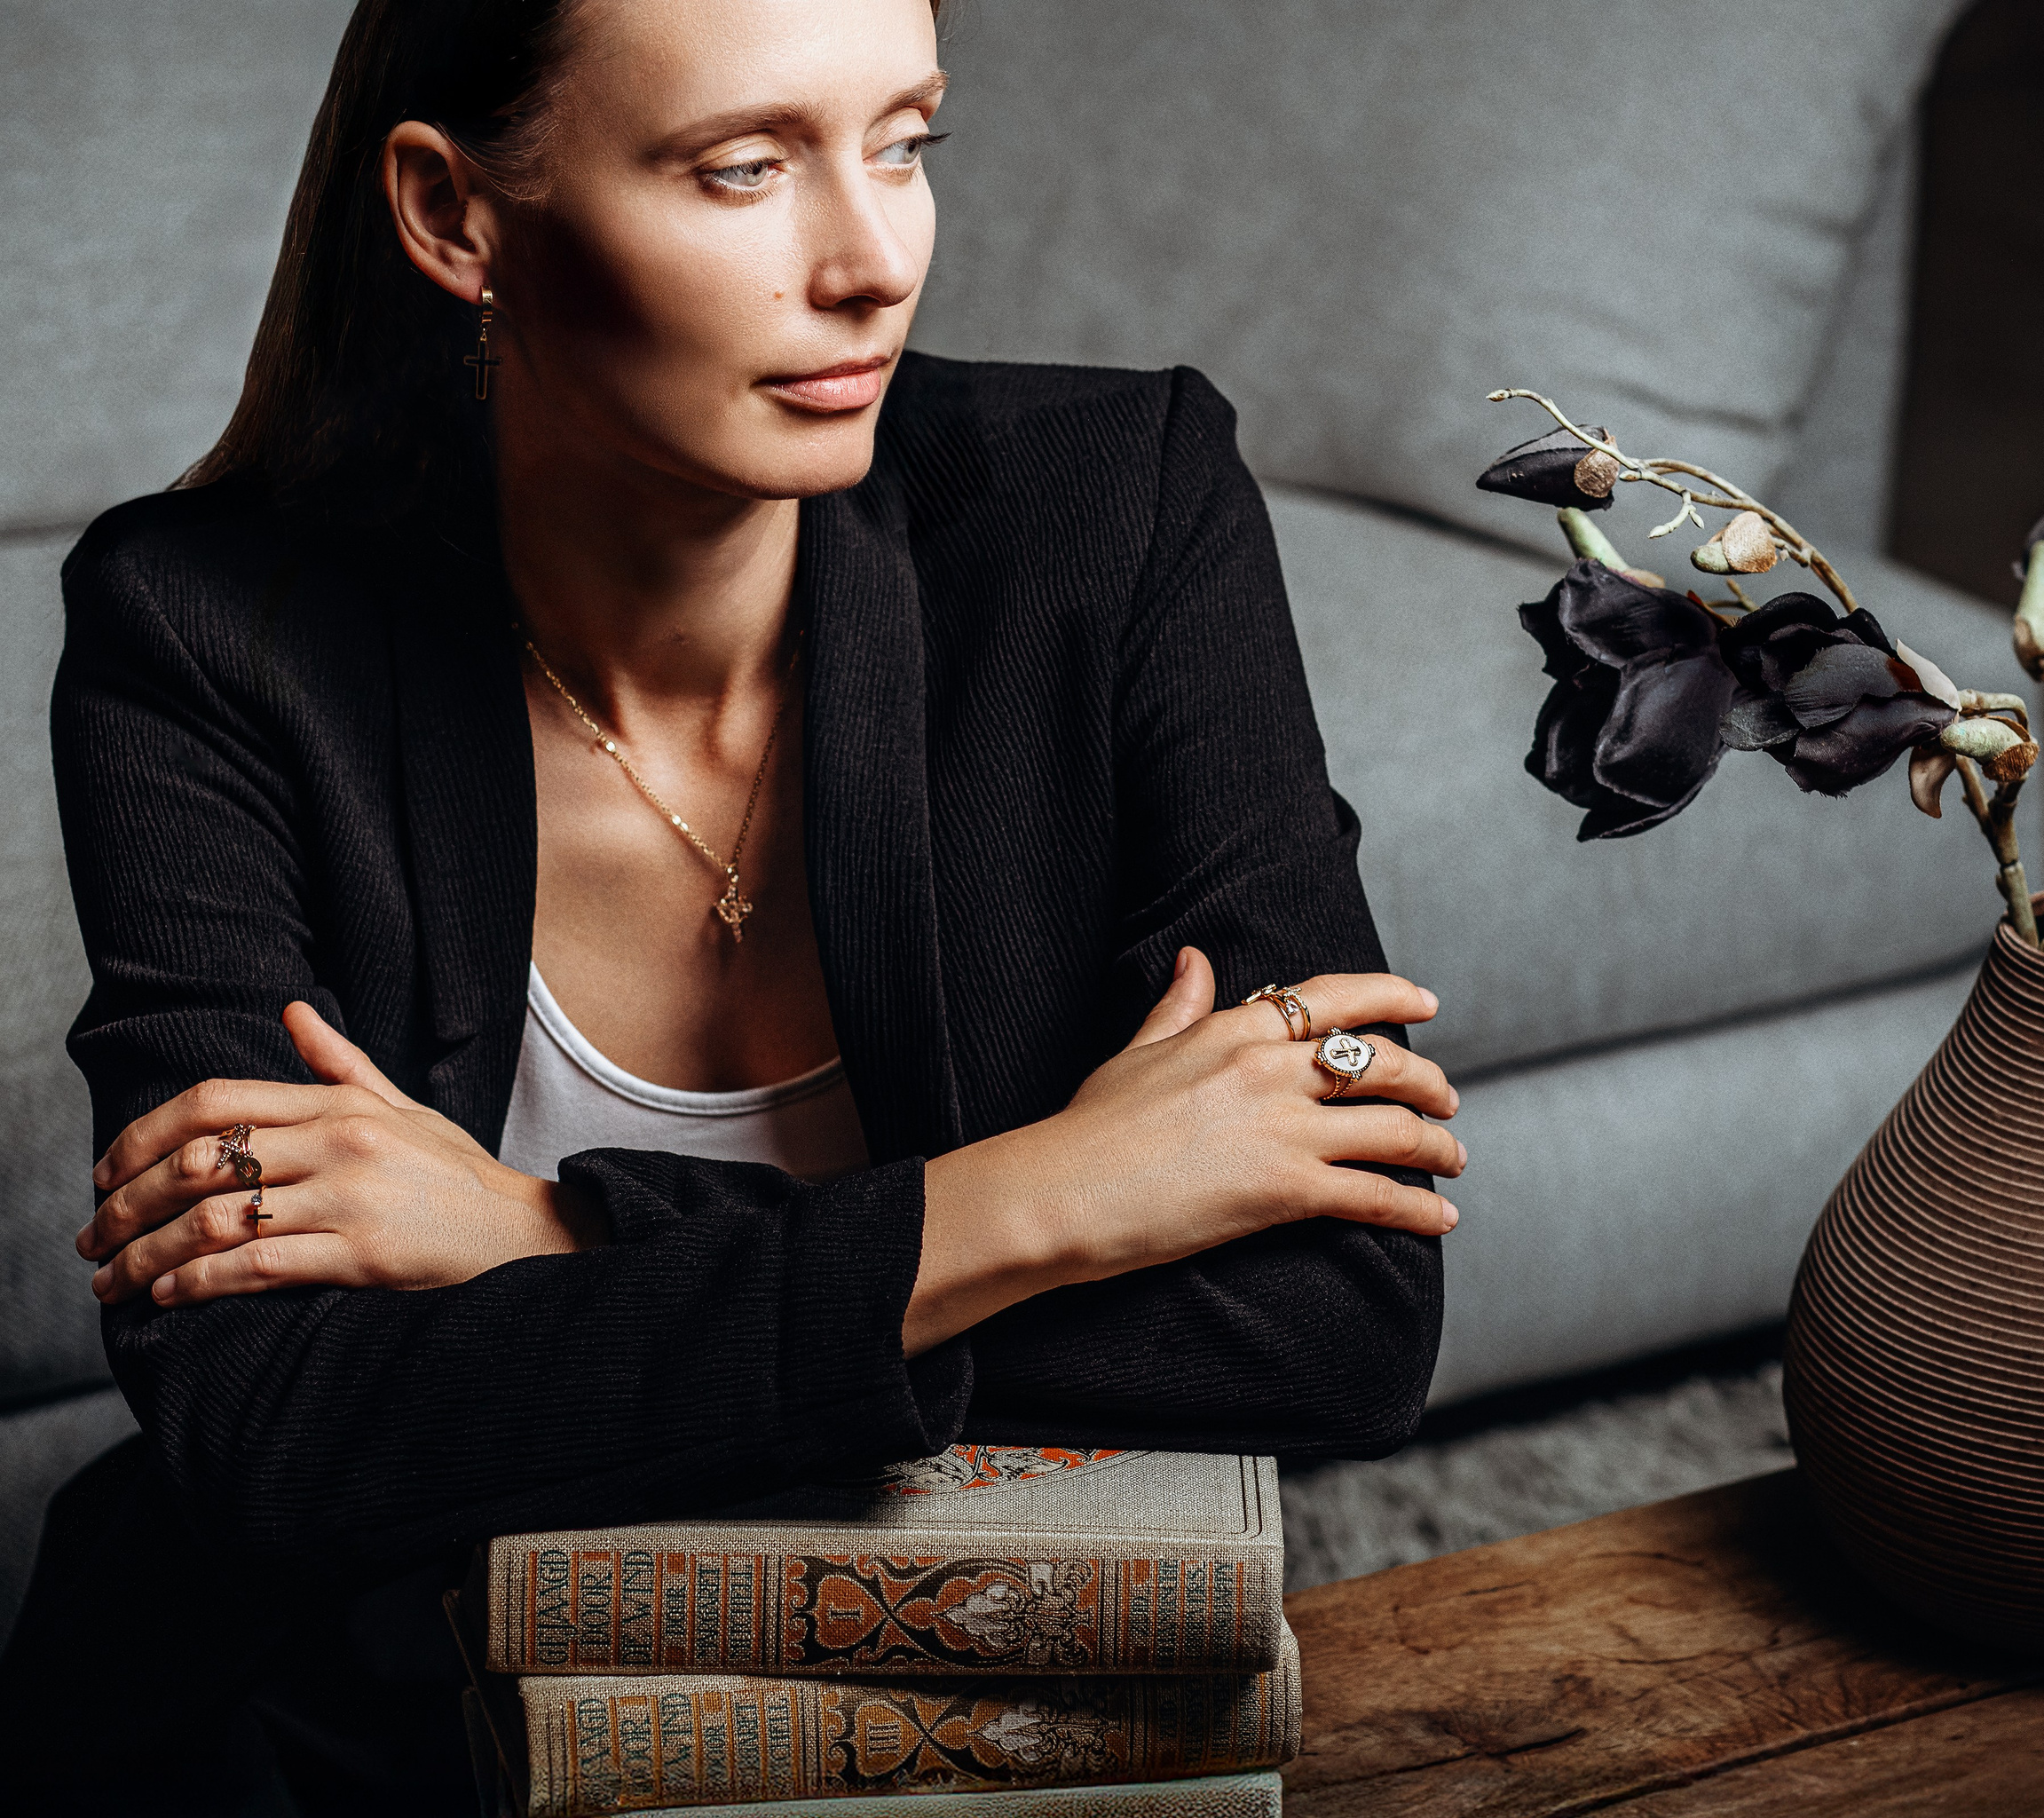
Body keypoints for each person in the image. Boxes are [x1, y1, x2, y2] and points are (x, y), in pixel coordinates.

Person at [4, 0, 1462, 1807]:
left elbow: (1340, 1321)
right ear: (456, 216)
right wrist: (1054, 1197)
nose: (871, 261)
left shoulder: (1118, 509)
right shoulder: (209, 633)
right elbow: (269, 1429)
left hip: (954, 1698)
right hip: (358, 1718)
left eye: (906, 141)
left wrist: (545, 1239)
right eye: (745, 168)